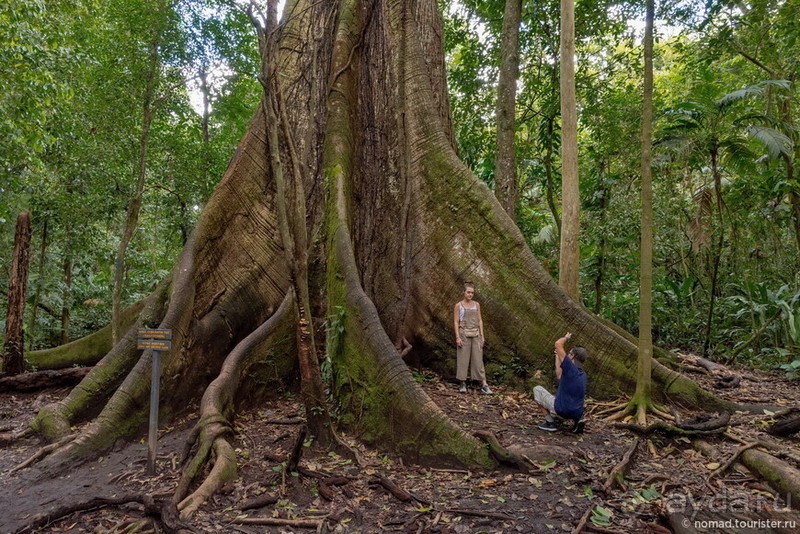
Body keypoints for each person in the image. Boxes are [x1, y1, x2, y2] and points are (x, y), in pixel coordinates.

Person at [533, 332, 587, 433]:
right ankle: (578, 420)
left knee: (537, 389)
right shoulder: (582, 374)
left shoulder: (570, 367)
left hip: (562, 410)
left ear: (572, 356)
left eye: (569, 353)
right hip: (576, 412)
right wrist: (557, 356)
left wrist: (566, 338)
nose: (567, 354)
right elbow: (559, 375)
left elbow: (558, 344)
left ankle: (550, 423)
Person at [453, 282, 492, 394]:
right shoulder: (458, 305)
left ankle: (484, 384)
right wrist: (457, 337)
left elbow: (480, 320)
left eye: (472, 293)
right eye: (468, 292)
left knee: (478, 359)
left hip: (476, 334)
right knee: (463, 359)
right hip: (463, 333)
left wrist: (482, 335)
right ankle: (462, 383)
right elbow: (456, 321)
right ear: (464, 292)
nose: (470, 295)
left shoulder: (476, 305)